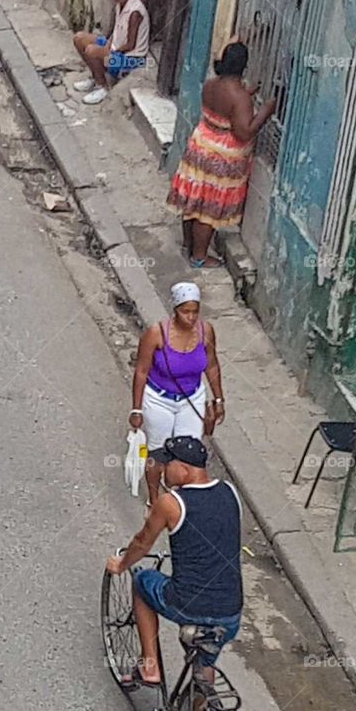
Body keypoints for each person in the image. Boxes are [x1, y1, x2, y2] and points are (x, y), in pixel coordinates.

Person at [106, 436, 243, 688]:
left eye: (167, 463)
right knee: (205, 667)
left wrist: (122, 564)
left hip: (188, 603)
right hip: (230, 611)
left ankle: (149, 666)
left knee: (142, 581)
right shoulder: (230, 492)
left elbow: (142, 543)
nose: (162, 469)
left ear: (184, 468)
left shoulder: (170, 503)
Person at [168, 41, 276, 268]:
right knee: (208, 208)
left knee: (194, 199)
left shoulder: (211, 84)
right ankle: (199, 256)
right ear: (244, 66)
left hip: (200, 145)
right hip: (221, 156)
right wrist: (265, 111)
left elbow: (224, 106)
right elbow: (243, 132)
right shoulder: (240, 97)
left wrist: (246, 95)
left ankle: (189, 245)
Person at [131, 281, 225, 504]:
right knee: (158, 451)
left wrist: (218, 398)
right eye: (185, 311)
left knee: (190, 452)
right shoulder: (156, 334)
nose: (191, 317)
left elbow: (212, 365)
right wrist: (136, 409)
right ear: (175, 310)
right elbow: (141, 371)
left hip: (191, 398)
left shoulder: (206, 331)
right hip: (159, 399)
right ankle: (154, 499)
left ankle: (184, 498)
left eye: (195, 312)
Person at [72, 0, 149, 105]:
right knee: (79, 38)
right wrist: (108, 44)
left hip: (131, 60)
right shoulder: (120, 4)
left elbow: (131, 45)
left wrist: (109, 51)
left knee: (91, 50)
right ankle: (95, 77)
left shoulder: (135, 12)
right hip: (116, 49)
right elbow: (117, 31)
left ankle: (103, 87)